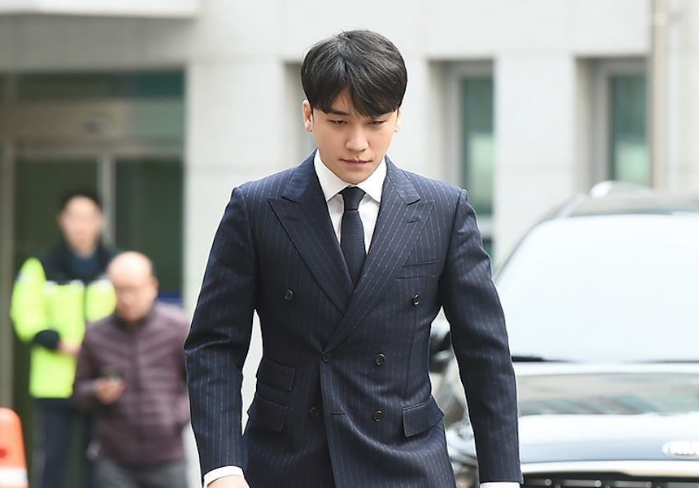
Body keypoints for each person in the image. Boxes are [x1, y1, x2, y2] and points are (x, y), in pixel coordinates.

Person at [186, 29, 522, 488]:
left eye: (375, 122)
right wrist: (223, 470)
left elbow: (484, 352)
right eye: (339, 122)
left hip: (407, 464)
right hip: (286, 462)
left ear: (398, 118)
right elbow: (215, 347)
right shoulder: (257, 208)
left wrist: (501, 479)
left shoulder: (442, 211)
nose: (358, 143)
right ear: (309, 115)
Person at [11, 189, 117, 487]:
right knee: (52, 462)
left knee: (100, 464)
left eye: (88, 217)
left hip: (101, 382)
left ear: (101, 221)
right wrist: (60, 344)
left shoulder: (114, 265)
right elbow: (25, 316)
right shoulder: (40, 266)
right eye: (74, 217)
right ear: (62, 220)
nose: (81, 225)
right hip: (54, 384)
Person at [73, 251, 190, 488]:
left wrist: (176, 416)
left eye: (133, 289)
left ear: (152, 287)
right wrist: (97, 391)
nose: (127, 299)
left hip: (167, 458)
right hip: (113, 460)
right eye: (119, 290)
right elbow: (78, 391)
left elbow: (198, 385)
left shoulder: (177, 328)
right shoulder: (96, 334)